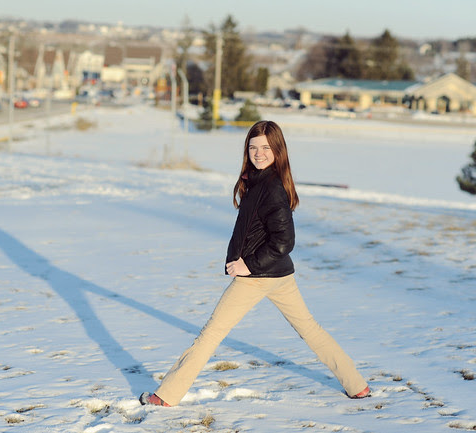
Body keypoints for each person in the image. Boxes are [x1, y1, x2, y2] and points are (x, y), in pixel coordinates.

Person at [140, 120, 370, 407]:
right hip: (279, 275)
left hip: (258, 276)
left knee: (210, 334)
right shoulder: (260, 181)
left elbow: (284, 240)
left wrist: (247, 265)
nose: (259, 153)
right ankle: (357, 385)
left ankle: (166, 396)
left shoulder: (271, 187)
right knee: (311, 330)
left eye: (266, 148)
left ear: (278, 150)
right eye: (253, 147)